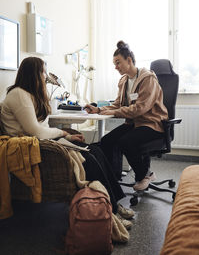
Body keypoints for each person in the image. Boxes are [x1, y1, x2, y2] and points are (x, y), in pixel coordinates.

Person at [0, 56, 134, 228]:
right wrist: (63, 133)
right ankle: (111, 211)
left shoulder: (30, 95)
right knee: (90, 159)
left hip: (42, 141)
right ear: (33, 74)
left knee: (96, 151)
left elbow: (42, 129)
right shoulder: (18, 94)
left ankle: (115, 203)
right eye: (43, 73)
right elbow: (36, 131)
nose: (45, 77)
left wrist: (67, 137)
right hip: (30, 146)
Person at [85, 40, 168, 191]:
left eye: (118, 63)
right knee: (107, 141)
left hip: (152, 124)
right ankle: (112, 179)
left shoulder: (147, 78)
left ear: (129, 60)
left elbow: (140, 108)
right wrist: (98, 109)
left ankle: (144, 175)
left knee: (126, 142)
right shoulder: (124, 81)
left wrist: (114, 112)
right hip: (135, 124)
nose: (115, 67)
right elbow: (118, 104)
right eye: (114, 64)